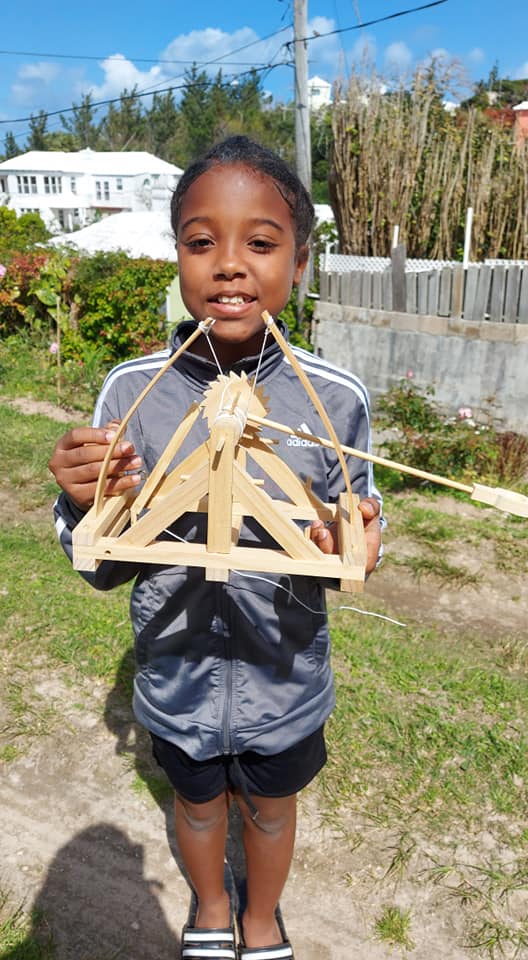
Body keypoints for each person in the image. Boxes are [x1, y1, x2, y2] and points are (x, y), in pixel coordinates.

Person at [49, 135, 383, 960]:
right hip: (179, 677)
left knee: (272, 806)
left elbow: (360, 517)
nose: (229, 265)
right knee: (197, 804)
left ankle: (261, 917)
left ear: (299, 262)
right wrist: (82, 503)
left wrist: (355, 538)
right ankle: (208, 905)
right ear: (178, 257)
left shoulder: (334, 397)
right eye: (202, 242)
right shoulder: (134, 389)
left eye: (261, 243)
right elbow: (98, 555)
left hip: (284, 674)